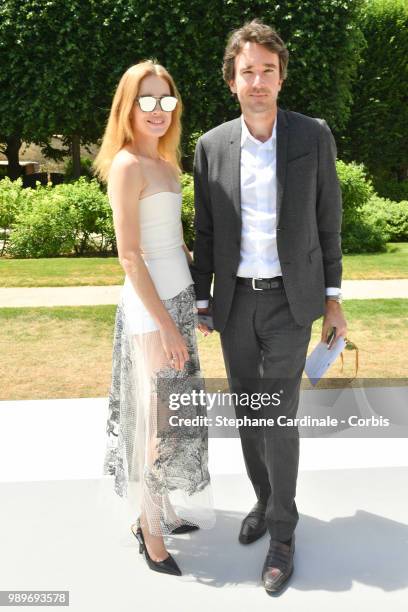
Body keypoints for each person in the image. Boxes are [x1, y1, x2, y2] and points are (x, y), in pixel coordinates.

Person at [191, 20, 347, 594]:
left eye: (268, 70)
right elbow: (205, 232)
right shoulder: (210, 146)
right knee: (248, 414)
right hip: (234, 305)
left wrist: (333, 300)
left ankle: (284, 531)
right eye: (247, 71)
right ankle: (264, 497)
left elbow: (329, 221)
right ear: (232, 80)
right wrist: (204, 301)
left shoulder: (312, 136)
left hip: (290, 303)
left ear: (281, 78)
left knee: (277, 415)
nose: (257, 80)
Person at [93, 60, 215, 577]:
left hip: (179, 302)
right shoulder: (126, 165)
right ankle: (150, 530)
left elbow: (171, 241)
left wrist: (197, 306)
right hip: (150, 313)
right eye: (147, 99)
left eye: (166, 99)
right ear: (129, 106)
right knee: (159, 422)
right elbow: (129, 255)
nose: (159, 109)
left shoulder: (166, 164)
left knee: (175, 414)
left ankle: (161, 507)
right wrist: (167, 325)